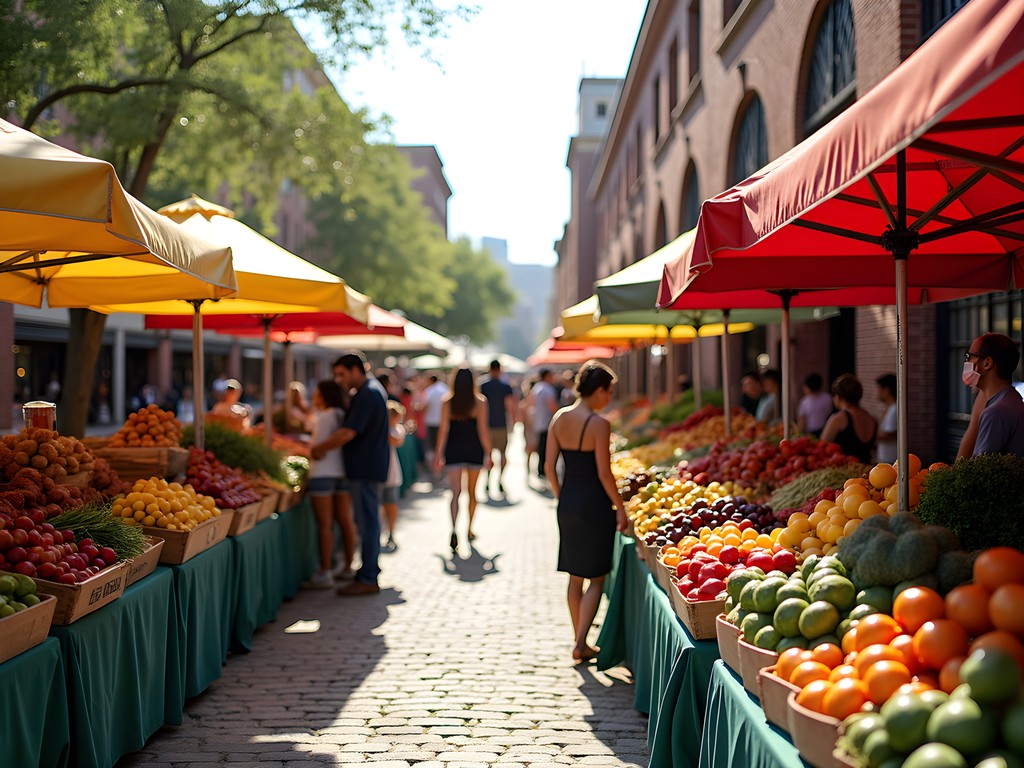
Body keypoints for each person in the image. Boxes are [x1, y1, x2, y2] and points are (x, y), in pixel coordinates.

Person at [544, 360, 630, 663]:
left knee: (574, 574)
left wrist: (561, 495)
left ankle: (577, 637)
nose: (609, 397)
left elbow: (548, 467)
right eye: (609, 391)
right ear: (599, 390)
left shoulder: (559, 417)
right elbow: (605, 474)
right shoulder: (598, 423)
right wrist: (620, 509)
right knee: (596, 577)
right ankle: (581, 642)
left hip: (568, 501)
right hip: (594, 503)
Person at [312, 352, 390, 597]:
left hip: (365, 469)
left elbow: (348, 432)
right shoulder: (369, 391)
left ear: (356, 370)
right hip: (366, 468)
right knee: (367, 522)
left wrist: (319, 448)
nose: (338, 379)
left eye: (342, 374)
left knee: (367, 523)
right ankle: (366, 573)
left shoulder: (368, 393)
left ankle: (367, 576)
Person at [304, 380, 356, 588]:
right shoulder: (341, 414)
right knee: (345, 520)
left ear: (324, 395)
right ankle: (348, 565)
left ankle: (325, 571)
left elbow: (317, 448)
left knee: (325, 524)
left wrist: (314, 450)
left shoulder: (325, 417)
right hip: (342, 472)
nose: (314, 397)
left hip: (322, 473)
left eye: (316, 393)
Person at [435, 368, 492, 551]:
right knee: (472, 493)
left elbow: (443, 430)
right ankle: (468, 529)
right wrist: (489, 453)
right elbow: (483, 430)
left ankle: (453, 529)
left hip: (453, 450)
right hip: (474, 450)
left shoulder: (447, 402)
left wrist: (438, 454)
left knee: (455, 493)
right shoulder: (480, 402)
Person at [964, 333, 1024, 458]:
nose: (967, 362)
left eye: (969, 357)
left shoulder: (996, 412)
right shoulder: (1012, 399)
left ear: (987, 363)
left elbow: (978, 472)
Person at [820, 374, 877, 463]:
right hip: (867, 471)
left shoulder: (839, 418)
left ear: (838, 397)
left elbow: (821, 447)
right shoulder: (871, 418)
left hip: (845, 472)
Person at [479, 360, 516, 497]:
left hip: (486, 425)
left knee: (488, 455)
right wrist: (512, 421)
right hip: (501, 425)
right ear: (500, 369)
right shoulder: (505, 386)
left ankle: (488, 480)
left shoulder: (482, 385)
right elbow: (510, 405)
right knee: (503, 454)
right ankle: (499, 479)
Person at [381, 400, 406, 552]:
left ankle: (391, 532)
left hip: (391, 473)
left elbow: (395, 440)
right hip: (378, 472)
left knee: (390, 505)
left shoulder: (397, 430)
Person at [423, 374, 449, 484]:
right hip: (443, 422)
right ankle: (444, 473)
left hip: (431, 423)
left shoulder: (430, 391)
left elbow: (425, 406)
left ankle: (436, 473)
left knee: (432, 449)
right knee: (443, 448)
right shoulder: (445, 389)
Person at [532, 369, 558, 479]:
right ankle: (544, 469)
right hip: (547, 422)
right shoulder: (548, 389)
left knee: (541, 447)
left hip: (539, 421)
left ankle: (540, 469)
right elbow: (552, 406)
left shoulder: (537, 388)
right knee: (546, 448)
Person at [797, 373, 833, 438]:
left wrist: (798, 436)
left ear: (806, 387)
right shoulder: (828, 398)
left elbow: (802, 424)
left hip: (810, 434)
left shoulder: (804, 402)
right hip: (827, 431)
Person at [875, 373, 898, 464]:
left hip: (891, 460)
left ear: (887, 390)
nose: (877, 392)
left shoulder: (894, 409)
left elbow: (890, 434)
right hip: (885, 459)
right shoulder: (889, 408)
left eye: (879, 388)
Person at [519, 378, 539, 479]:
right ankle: (530, 470)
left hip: (530, 427)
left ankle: (530, 470)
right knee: (531, 449)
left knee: (530, 450)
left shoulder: (526, 400)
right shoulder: (531, 398)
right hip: (531, 427)